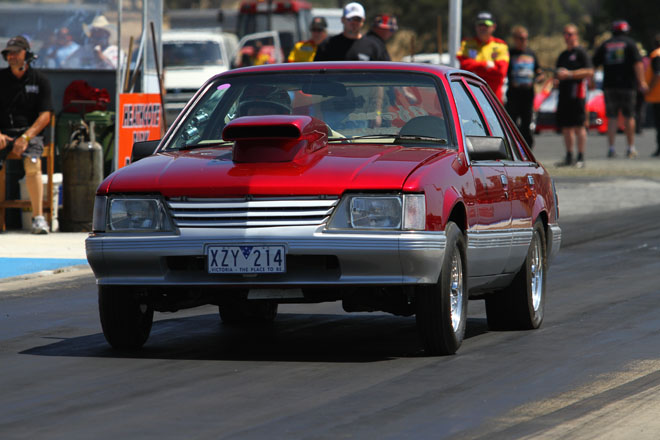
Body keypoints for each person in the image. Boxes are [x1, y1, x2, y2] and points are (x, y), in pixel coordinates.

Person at [0, 36, 54, 234]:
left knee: (33, 164)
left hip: (30, 134)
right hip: (3, 133)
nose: (12, 56)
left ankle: (38, 218)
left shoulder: (40, 80)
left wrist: (26, 137)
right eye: (9, 53)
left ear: (27, 55)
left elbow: (46, 115)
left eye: (16, 52)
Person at [592, 20, 648, 159]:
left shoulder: (606, 44)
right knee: (629, 116)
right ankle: (630, 148)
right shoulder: (630, 43)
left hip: (610, 86)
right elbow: (638, 64)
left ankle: (611, 149)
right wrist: (641, 82)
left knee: (612, 117)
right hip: (628, 86)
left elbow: (593, 64)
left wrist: (591, 81)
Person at [555, 24, 594, 168]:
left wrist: (570, 74)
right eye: (565, 34)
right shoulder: (563, 55)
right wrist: (557, 79)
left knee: (579, 125)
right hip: (564, 94)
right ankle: (569, 156)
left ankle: (581, 157)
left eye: (570, 34)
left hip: (578, 94)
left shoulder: (581, 52)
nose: (567, 37)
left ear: (576, 35)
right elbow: (557, 73)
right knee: (566, 126)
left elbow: (590, 71)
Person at [457, 11, 509, 102]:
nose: (483, 28)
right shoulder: (466, 44)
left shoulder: (501, 46)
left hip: (492, 99)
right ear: (476, 26)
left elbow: (500, 73)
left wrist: (475, 69)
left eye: (486, 25)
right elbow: (464, 67)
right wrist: (485, 65)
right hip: (469, 97)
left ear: (494, 27)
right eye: (480, 24)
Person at [506, 25, 543, 148]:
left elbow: (538, 70)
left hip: (528, 94)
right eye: (521, 38)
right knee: (512, 123)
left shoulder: (531, 53)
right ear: (515, 39)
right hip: (514, 94)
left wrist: (540, 76)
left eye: (526, 38)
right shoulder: (510, 53)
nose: (524, 41)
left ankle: (527, 149)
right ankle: (513, 148)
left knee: (526, 122)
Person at [646, 33, 660, 157]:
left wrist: (649, 88)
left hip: (657, 95)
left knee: (658, 123)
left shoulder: (657, 54)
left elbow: (657, 74)